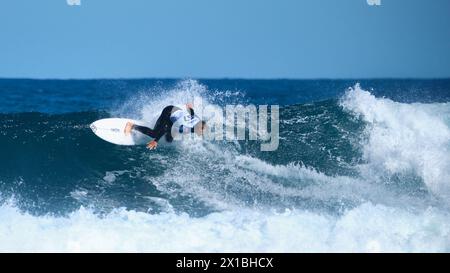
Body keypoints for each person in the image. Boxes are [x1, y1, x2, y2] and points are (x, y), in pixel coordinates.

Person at [124, 103, 206, 150]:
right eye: (201, 130)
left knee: (169, 140)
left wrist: (189, 108)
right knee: (154, 134)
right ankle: (132, 126)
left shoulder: (197, 120)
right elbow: (166, 128)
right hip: (168, 112)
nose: (202, 132)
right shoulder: (184, 127)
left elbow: (192, 114)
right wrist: (156, 140)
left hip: (175, 111)